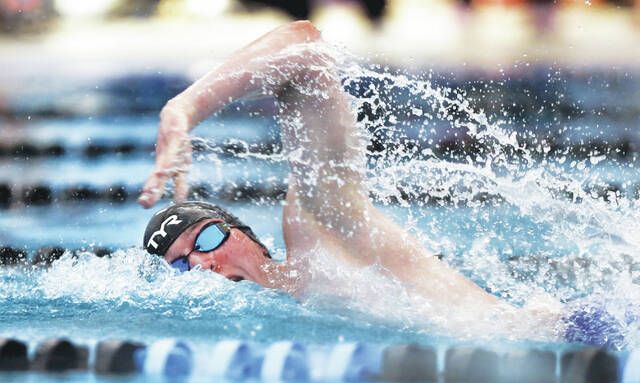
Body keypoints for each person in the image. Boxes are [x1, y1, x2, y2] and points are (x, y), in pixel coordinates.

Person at [138, 21, 625, 346]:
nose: (202, 263)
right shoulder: (283, 322)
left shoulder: (316, 236)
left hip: (585, 333)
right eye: (182, 264)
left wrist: (183, 109)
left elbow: (302, 46)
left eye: (205, 238)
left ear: (238, 230)